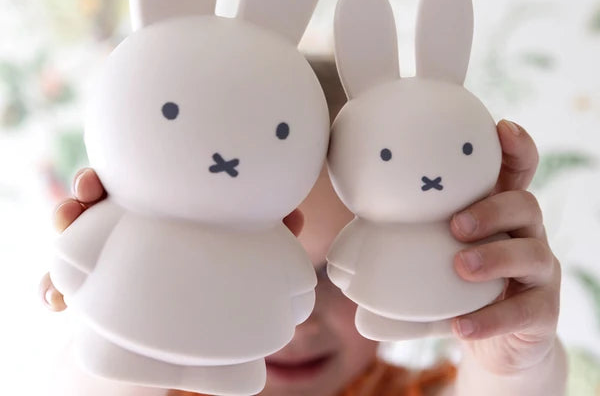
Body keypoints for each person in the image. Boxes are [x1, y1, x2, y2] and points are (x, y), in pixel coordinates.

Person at [39, 56, 567, 396]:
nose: (301, 324)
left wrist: (512, 366)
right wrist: (125, 309)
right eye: (251, 270)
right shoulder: (159, 382)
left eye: (337, 275)